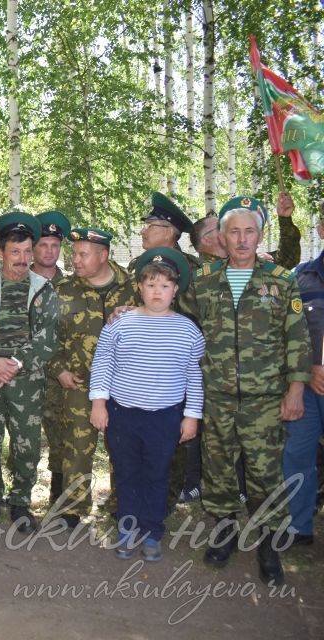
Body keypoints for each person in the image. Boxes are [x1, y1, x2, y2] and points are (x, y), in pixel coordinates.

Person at [185, 196, 310, 585]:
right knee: (219, 469)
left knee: (265, 473)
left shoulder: (280, 279)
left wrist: (295, 391)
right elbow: (180, 324)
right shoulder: (204, 281)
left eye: (249, 231)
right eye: (234, 232)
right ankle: (224, 532)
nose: (241, 240)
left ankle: (269, 545)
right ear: (222, 236)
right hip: (217, 396)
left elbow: (297, 339)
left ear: (260, 234)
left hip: (265, 399)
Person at [90, 248, 204, 561]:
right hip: (123, 414)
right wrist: (99, 404)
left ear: (175, 290)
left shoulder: (188, 330)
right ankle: (127, 528)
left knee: (156, 474)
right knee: (126, 473)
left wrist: (191, 417)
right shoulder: (120, 324)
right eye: (151, 285)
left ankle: (152, 531)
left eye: (165, 286)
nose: (157, 292)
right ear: (140, 287)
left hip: (165, 418)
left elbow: (194, 376)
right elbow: (103, 365)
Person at [0, 212, 58, 532]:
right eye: (15, 252)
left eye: (27, 252)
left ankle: (20, 503)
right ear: (1, 253)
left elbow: (47, 338)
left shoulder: (43, 289)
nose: (22, 259)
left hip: (26, 379)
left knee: (26, 443)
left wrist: (15, 364)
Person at [49, 228, 139, 528]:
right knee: (76, 447)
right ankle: (73, 509)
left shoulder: (134, 287)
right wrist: (59, 369)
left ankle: (121, 504)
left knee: (123, 447)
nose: (75, 260)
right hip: (78, 383)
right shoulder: (63, 290)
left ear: (104, 255)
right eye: (73, 254)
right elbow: (47, 339)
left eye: (82, 254)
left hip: (124, 385)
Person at [286, 216, 324, 546]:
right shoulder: (301, 276)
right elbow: (289, 330)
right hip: (309, 387)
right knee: (297, 455)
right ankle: (299, 526)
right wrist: (309, 368)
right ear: (321, 228)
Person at [31, 210, 72, 504]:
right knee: (22, 437)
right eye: (43, 244)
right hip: (25, 374)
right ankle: (20, 494)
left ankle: (58, 495)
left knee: (60, 437)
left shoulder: (71, 286)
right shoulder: (17, 283)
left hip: (59, 378)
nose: (49, 251)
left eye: (54, 245)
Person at [127, 192, 200, 272]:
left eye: (149, 225)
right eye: (144, 226)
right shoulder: (137, 264)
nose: (142, 231)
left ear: (169, 233)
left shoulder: (191, 267)